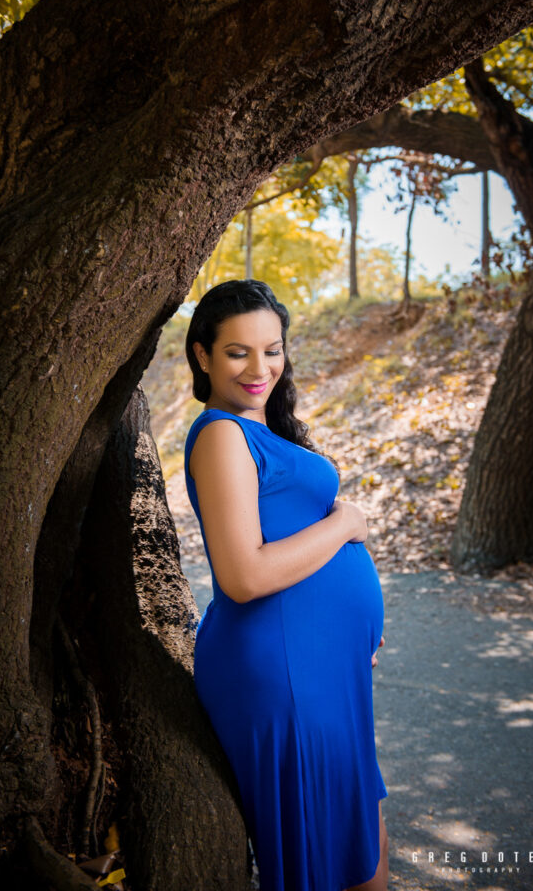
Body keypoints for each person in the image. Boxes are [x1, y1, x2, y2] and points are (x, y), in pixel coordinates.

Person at [183, 278, 389, 891]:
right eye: (237, 351)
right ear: (203, 355)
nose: (260, 367)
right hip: (280, 673)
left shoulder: (264, 432)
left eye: (271, 349)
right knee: (325, 861)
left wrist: (348, 634)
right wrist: (347, 522)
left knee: (364, 842)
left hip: (324, 667)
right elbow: (243, 576)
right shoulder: (223, 434)